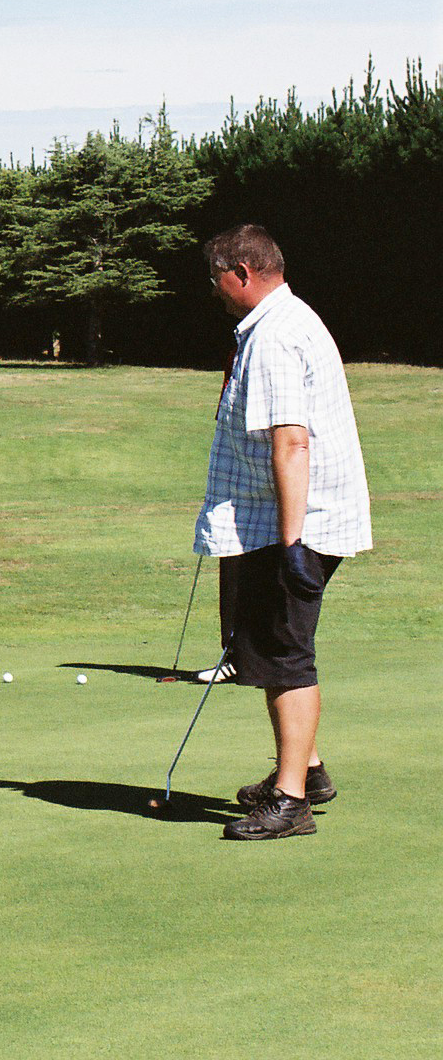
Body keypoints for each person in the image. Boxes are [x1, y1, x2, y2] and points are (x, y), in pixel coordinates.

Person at [194, 224, 371, 839]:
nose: (214, 291)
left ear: (241, 272)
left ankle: (291, 803)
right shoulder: (288, 319)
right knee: (272, 647)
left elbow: (291, 442)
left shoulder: (273, 335)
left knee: (284, 653)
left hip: (295, 521)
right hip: (287, 517)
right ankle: (307, 770)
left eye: (216, 278)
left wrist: (293, 545)